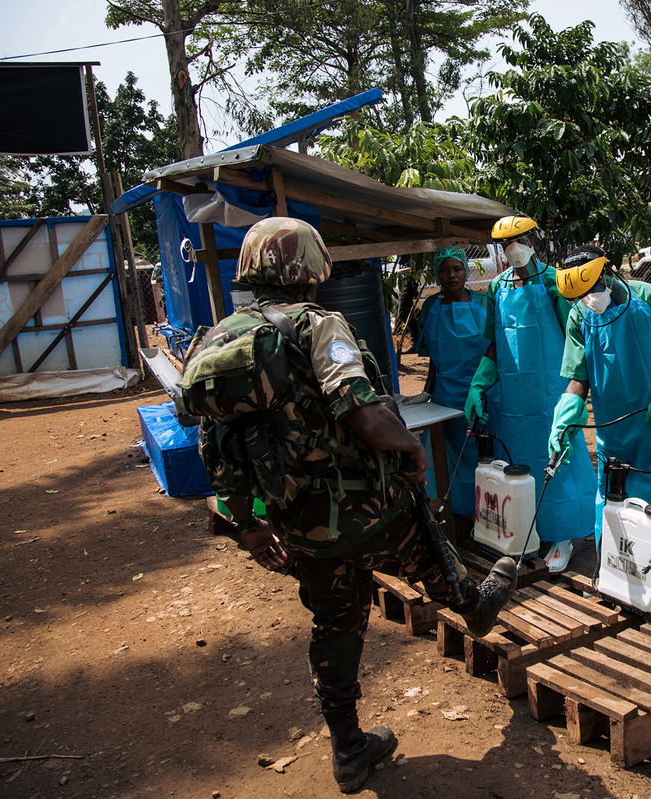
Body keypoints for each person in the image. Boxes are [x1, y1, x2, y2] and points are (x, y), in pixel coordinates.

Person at [181, 218, 517, 794]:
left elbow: (217, 445)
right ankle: (472, 605)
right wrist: (411, 447)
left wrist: (248, 527)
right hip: (368, 509)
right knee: (427, 542)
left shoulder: (217, 341)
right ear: (308, 267)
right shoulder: (317, 326)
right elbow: (362, 412)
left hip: (297, 523)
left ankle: (348, 750)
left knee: (335, 622)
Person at [549, 246, 651, 574]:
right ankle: (617, 569)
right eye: (581, 294)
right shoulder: (579, 314)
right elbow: (578, 377)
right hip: (611, 428)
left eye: (591, 289)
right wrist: (565, 414)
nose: (589, 299)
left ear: (608, 272)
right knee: (613, 498)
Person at [464, 216, 597, 572]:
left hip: (552, 390)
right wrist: (479, 384)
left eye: (519, 240)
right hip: (513, 396)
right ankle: (527, 529)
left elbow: (576, 337)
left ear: (532, 239)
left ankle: (565, 533)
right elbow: (493, 341)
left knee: (560, 461)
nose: (514, 248)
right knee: (520, 465)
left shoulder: (554, 281)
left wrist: (577, 392)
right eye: (506, 243)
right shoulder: (497, 287)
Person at [404, 246, 492, 528]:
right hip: (445, 395)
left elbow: (496, 349)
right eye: (444, 270)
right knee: (448, 454)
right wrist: (428, 391)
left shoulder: (485, 303)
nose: (451, 275)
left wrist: (486, 387)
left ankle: (486, 512)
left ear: (466, 271)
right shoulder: (431, 307)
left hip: (482, 393)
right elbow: (433, 356)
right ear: (436, 273)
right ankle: (455, 511)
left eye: (456, 269)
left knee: (482, 452)